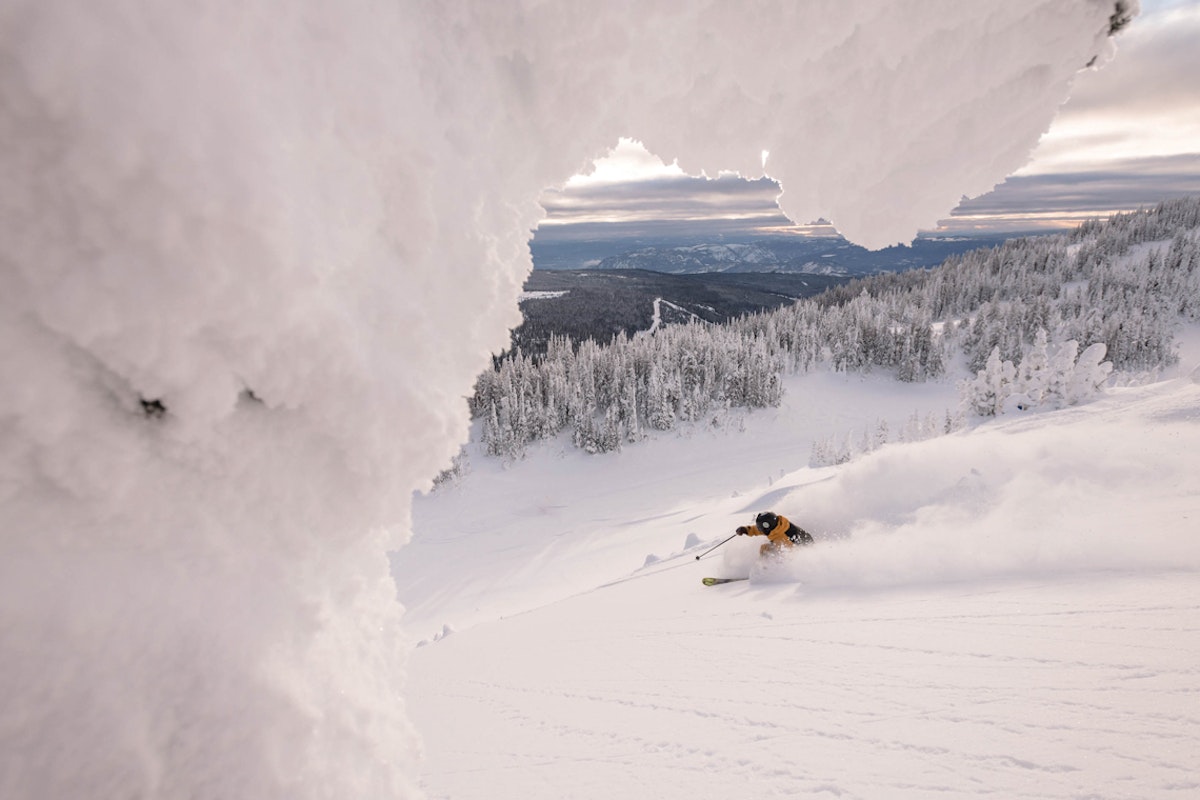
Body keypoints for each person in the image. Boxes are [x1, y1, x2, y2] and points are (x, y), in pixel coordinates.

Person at [737, 511, 813, 557]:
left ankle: (766, 568)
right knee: (767, 548)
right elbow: (757, 530)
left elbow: (790, 553)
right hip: (792, 544)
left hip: (802, 550)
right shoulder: (776, 527)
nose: (759, 530)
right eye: (759, 527)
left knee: (766, 549)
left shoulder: (783, 536)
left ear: (768, 526)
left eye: (760, 527)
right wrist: (745, 530)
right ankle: (766, 565)